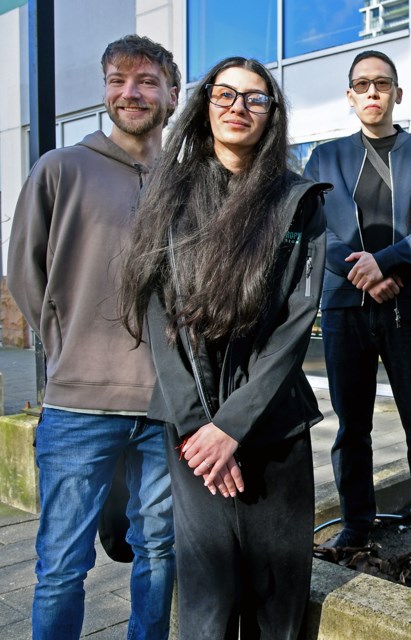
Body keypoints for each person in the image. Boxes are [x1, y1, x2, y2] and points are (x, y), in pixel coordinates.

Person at [118, 56, 327, 638]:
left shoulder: (298, 201)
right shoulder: (169, 193)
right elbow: (161, 316)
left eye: (256, 98)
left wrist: (232, 426)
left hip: (274, 426)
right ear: (205, 103)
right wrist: (198, 428)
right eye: (225, 94)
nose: (239, 107)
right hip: (192, 432)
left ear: (272, 115)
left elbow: (295, 324)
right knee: (207, 605)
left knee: (276, 601)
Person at [7, 35, 178, 640]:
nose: (130, 92)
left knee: (159, 554)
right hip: (78, 403)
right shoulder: (60, 168)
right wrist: (66, 348)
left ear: (171, 94)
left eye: (146, 81)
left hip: (166, 407)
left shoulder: (185, 183)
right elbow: (26, 277)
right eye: (117, 79)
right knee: (62, 564)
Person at [302, 51, 411, 576]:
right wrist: (363, 273)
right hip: (347, 309)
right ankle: (356, 524)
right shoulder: (326, 157)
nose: (372, 92)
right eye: (362, 85)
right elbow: (308, 228)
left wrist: (388, 264)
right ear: (350, 96)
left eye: (382, 84)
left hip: (410, 308)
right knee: (352, 427)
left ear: (397, 93)